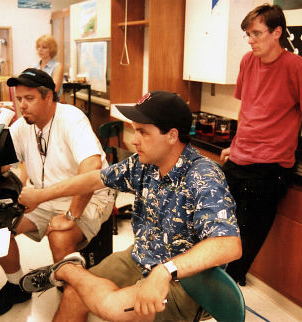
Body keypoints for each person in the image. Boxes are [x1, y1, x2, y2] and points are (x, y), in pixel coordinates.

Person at [17, 90, 242, 321]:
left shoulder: (204, 175)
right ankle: (70, 272)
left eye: (143, 132)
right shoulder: (144, 164)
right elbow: (95, 178)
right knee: (74, 293)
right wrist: (41, 195)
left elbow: (228, 244)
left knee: (113, 307)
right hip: (141, 256)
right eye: (135, 130)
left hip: (185, 281)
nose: (134, 139)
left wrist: (166, 270)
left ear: (172, 135)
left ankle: (65, 269)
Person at [219, 4, 302, 286]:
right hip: (239, 159)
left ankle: (225, 291)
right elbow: (248, 108)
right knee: (220, 225)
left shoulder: (295, 67)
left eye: (257, 33)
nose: (251, 40)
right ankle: (212, 283)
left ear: (277, 32)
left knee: (248, 235)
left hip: (269, 167)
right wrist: (235, 143)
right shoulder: (248, 61)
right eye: (248, 34)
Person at [0, 68, 115, 317]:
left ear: (49, 97)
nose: (22, 105)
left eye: (29, 98)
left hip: (91, 195)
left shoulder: (72, 118)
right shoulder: (22, 127)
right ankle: (16, 285)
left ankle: (72, 294)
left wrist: (71, 215)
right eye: (19, 98)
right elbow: (0, 167)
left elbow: (91, 170)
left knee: (59, 235)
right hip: (46, 196)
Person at [34, 34, 64, 100]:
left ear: (51, 50)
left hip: (52, 103)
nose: (40, 50)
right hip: (37, 102)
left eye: (44, 47)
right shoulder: (35, 67)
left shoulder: (57, 67)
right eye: (38, 47)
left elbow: (53, 90)